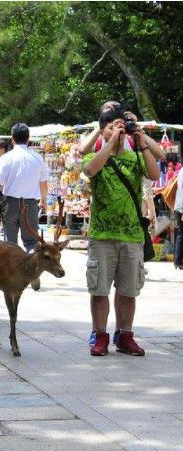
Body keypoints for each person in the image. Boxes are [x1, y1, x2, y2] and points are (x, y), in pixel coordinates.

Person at [82, 107, 161, 356]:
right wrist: (111, 142)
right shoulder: (94, 156)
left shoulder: (135, 156)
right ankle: (100, 335)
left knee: (128, 291)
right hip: (102, 236)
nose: (117, 131)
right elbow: (90, 170)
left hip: (131, 236)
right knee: (99, 289)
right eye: (111, 127)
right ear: (102, 130)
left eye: (119, 127)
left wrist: (140, 139)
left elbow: (154, 172)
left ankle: (125, 335)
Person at [0, 123, 50, 254]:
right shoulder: (37, 158)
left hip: (10, 203)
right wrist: (43, 200)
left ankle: (10, 271)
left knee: (9, 243)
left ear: (12, 139)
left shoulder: (6, 158)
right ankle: (31, 272)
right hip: (30, 204)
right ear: (28, 139)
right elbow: (43, 183)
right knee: (31, 242)